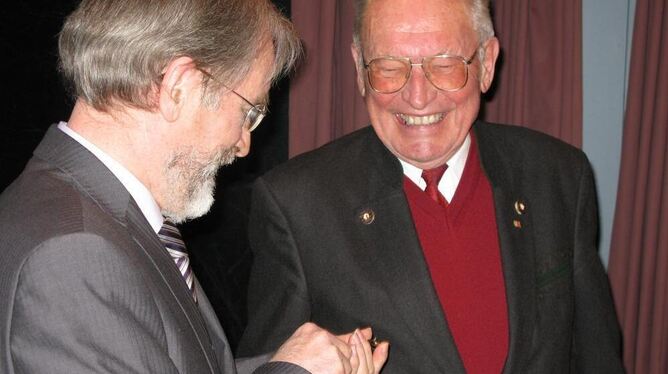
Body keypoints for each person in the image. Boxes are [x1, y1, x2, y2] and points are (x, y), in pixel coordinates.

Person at [0, 0, 387, 373]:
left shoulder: (86, 215)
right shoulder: (74, 255)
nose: (243, 144)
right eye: (247, 111)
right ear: (179, 87)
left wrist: (298, 365)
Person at [237, 0, 625, 372]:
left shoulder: (558, 176)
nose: (418, 97)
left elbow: (596, 358)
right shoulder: (297, 205)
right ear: (359, 68)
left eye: (444, 64)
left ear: (486, 64)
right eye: (389, 66)